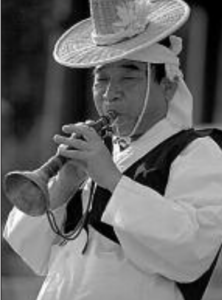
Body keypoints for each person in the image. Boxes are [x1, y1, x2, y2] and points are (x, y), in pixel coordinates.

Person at [3, 0, 222, 300]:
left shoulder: (197, 153)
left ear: (168, 86)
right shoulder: (101, 157)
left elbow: (193, 251)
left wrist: (112, 181)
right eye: (101, 79)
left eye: (128, 77)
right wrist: (63, 185)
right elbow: (30, 250)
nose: (109, 94)